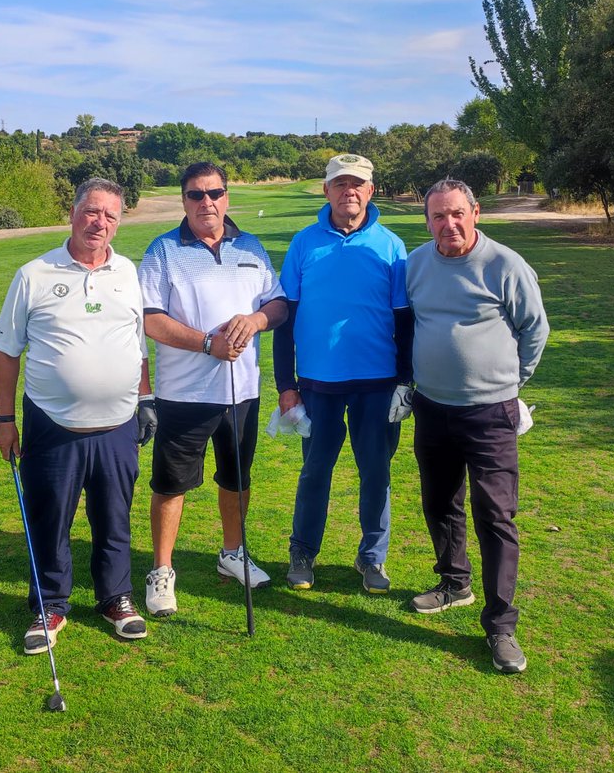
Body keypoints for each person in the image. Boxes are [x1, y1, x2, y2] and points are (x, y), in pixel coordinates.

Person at [0, 177, 158, 655]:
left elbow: (136, 345)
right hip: (52, 423)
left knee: (114, 518)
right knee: (50, 519)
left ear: (118, 223)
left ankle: (116, 598)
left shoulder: (128, 272)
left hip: (119, 424)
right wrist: (4, 420)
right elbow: (6, 353)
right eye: (92, 211)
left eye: (110, 215)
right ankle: (51, 603)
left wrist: (145, 399)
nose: (99, 222)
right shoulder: (34, 274)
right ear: (73, 212)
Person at [406, 178, 549, 674]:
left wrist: (511, 381)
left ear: (475, 212)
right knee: (440, 503)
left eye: (456, 214)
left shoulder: (504, 264)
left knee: (495, 516)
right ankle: (453, 583)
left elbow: (535, 329)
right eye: (438, 216)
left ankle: (502, 627)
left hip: (490, 413)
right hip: (432, 407)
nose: (449, 224)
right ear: (427, 221)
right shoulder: (417, 264)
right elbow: (411, 324)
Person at [138, 162, 287, 617]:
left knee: (237, 479)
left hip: (241, 391)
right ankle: (162, 570)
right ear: (183, 200)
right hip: (184, 394)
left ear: (228, 197)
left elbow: (278, 304)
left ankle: (232, 553)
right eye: (196, 195)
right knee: (171, 485)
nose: (207, 203)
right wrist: (207, 343)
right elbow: (149, 317)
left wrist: (256, 320)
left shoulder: (252, 247)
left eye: (215, 193)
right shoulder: (163, 250)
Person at [273, 153, 412, 594]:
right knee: (315, 472)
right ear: (326, 190)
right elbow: (285, 320)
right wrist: (286, 385)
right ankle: (302, 552)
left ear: (370, 191)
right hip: (318, 385)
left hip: (377, 383)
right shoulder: (304, 243)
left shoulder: (391, 245)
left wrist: (405, 382)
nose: (348, 191)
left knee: (376, 474)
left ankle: (372, 558)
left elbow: (404, 319)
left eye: (357, 184)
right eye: (339, 183)